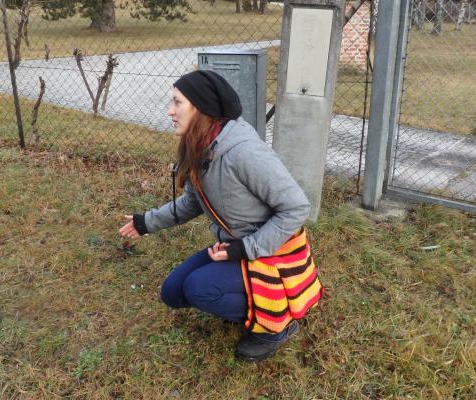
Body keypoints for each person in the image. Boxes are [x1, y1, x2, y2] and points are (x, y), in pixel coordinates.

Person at [119, 70, 323, 362]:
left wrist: (245, 248)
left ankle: (276, 326)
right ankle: (247, 300)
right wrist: (146, 223)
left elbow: (296, 207)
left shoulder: (244, 153)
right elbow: (192, 202)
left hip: (270, 255)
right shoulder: (201, 146)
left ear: (201, 108)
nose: (169, 111)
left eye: (177, 102)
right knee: (173, 293)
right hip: (234, 248)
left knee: (198, 289)